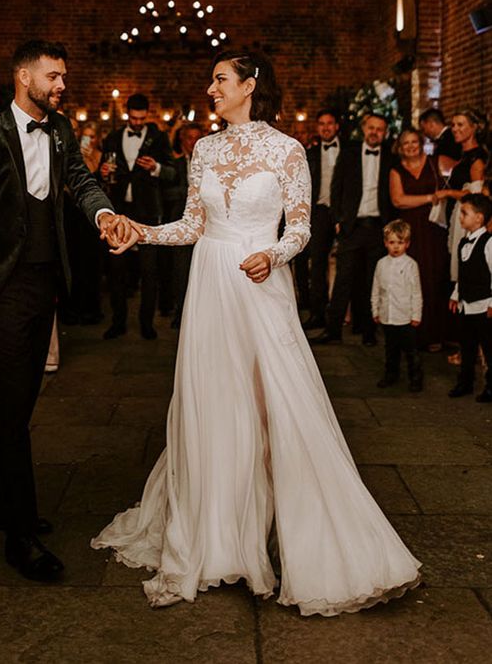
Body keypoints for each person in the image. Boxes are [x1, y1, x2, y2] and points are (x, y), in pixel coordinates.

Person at [92, 50, 420, 616]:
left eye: (220, 79)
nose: (211, 87)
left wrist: (273, 253)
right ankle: (217, 537)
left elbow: (301, 227)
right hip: (211, 288)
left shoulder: (288, 150)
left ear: (250, 84)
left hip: (260, 284)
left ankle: (290, 533)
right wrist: (138, 230)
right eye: (213, 79)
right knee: (214, 401)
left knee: (278, 404)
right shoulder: (203, 149)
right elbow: (194, 225)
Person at [0, 40, 130, 582]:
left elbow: (82, 183)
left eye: (64, 75)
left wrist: (104, 214)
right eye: (53, 75)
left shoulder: (60, 130)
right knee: (13, 406)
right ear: (24, 76)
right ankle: (18, 537)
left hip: (46, 284)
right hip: (1, 287)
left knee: (19, 402)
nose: (62, 84)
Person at [312, 112, 395, 346]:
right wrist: (338, 218)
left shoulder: (391, 157)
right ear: (364, 129)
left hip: (378, 228)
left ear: (385, 133)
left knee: (371, 281)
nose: (375, 132)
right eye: (371, 128)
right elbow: (335, 187)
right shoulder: (348, 154)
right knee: (343, 280)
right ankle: (333, 330)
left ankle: (368, 331)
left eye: (380, 129)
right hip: (352, 227)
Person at [100, 93, 175, 340]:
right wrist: (103, 171)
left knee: (149, 272)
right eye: (133, 118)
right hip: (120, 212)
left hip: (148, 214)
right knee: (117, 270)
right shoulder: (112, 138)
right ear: (127, 114)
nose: (138, 123)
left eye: (142, 119)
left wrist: (155, 167)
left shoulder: (159, 138)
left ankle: (146, 324)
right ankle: (118, 322)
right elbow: (102, 172)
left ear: (147, 115)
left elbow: (172, 174)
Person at [388, 128, 449, 351]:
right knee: (413, 279)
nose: (411, 146)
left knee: (435, 276)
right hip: (410, 230)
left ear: (421, 143)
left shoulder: (435, 162)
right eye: (406, 143)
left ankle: (435, 334)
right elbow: (398, 200)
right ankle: (413, 335)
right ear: (400, 147)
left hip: (434, 227)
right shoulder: (396, 170)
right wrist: (429, 198)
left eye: (414, 142)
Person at [298, 109, 342, 331]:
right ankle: (317, 314)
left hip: (343, 211)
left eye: (330, 123)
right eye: (322, 124)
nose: (326, 127)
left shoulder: (349, 152)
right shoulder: (310, 154)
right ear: (318, 127)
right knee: (317, 264)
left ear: (336, 126)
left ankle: (343, 316)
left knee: (347, 264)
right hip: (319, 212)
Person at [159, 122, 203, 328]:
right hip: (179, 222)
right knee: (180, 271)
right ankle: (181, 312)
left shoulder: (209, 163)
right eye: (189, 138)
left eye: (197, 137)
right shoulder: (174, 165)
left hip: (206, 226)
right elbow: (166, 194)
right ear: (182, 140)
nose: (193, 142)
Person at [448, 194, 492, 402]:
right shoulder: (463, 243)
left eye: (465, 213)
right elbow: (462, 274)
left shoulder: (489, 242)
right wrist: (456, 295)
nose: (460, 217)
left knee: (489, 347)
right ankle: (465, 382)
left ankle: (491, 386)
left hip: (484, 304)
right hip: (466, 304)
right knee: (467, 345)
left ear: (479, 218)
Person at [371, 220, 423, 392]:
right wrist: (375, 309)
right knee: (390, 349)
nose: (395, 247)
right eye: (392, 242)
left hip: (405, 317)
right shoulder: (381, 264)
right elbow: (376, 288)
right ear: (386, 243)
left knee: (411, 350)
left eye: (400, 243)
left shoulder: (410, 265)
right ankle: (391, 374)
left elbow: (416, 292)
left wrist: (416, 315)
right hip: (388, 315)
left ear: (407, 244)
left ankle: (415, 377)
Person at [62, 121, 106, 325]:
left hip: (93, 220)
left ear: (98, 138)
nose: (89, 139)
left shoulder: (103, 158)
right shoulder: (73, 159)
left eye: (92, 136)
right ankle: (73, 309)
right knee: (73, 262)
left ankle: (91, 309)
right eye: (85, 135)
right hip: (72, 216)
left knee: (92, 264)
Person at [434, 109, 487, 277]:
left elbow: (477, 198)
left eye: (460, 124)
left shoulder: (477, 158)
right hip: (456, 217)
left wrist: (448, 193)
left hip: (469, 222)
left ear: (473, 128)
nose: (454, 129)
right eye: (453, 125)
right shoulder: (464, 156)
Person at [419, 108, 461, 174]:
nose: (424, 134)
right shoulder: (446, 138)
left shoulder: (450, 139)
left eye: (423, 129)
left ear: (431, 124)